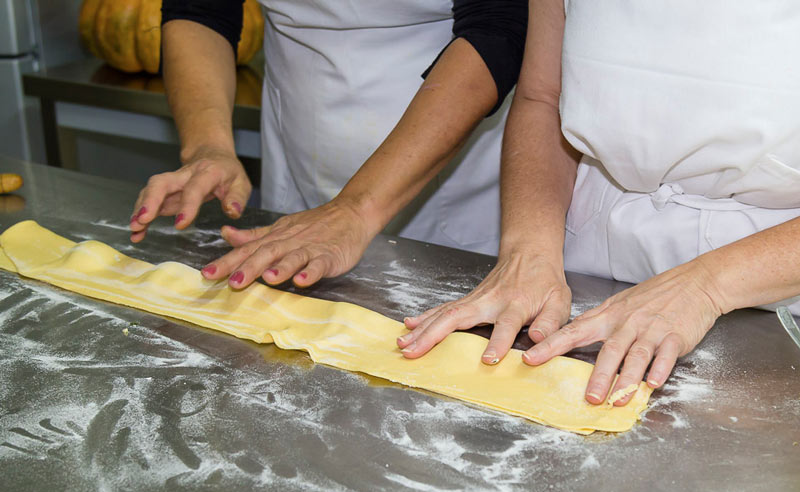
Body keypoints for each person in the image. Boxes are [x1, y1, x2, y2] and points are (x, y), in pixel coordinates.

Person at [398, 0, 800, 406]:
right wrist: (530, 252)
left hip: (775, 276)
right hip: (589, 267)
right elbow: (542, 96)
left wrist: (706, 286)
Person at [130, 1, 526, 290]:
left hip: (451, 155)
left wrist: (356, 208)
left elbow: (499, 28)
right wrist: (207, 145)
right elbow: (203, 10)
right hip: (300, 151)